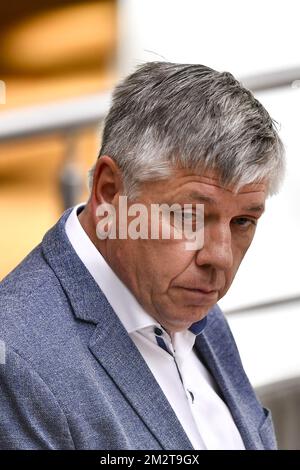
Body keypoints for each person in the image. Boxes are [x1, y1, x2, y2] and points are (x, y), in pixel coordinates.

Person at [0, 62, 285, 450]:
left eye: (243, 222)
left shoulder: (189, 304)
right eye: (189, 216)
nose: (219, 257)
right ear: (109, 193)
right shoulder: (17, 359)